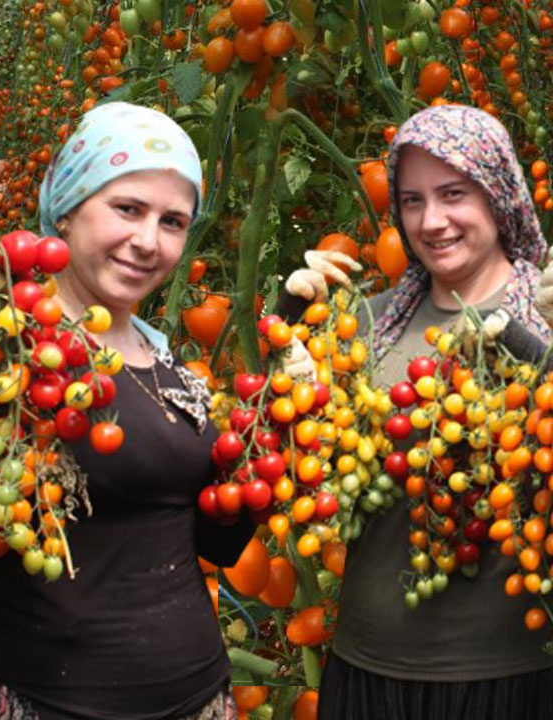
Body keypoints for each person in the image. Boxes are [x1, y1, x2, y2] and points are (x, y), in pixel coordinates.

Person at [0, 102, 253, 720]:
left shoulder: (166, 360)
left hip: (197, 695)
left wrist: (268, 439)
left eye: (173, 222)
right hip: (45, 700)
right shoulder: (8, 352)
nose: (149, 240)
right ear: (66, 207)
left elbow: (218, 545)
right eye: (128, 209)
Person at [281, 104, 553, 719]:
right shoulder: (368, 324)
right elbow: (307, 481)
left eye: (453, 193)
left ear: (499, 195)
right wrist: (288, 330)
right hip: (366, 672)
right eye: (411, 201)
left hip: (510, 679)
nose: (432, 221)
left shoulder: (544, 314)